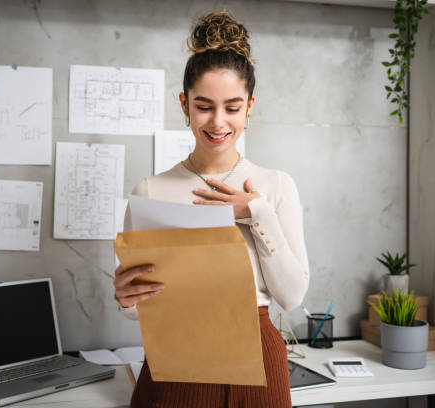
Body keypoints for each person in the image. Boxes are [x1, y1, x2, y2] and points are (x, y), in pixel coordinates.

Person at [112, 11, 310, 408]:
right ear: (184, 104)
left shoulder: (275, 186)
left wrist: (256, 213)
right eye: (203, 106)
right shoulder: (151, 190)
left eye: (232, 108)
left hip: (259, 358)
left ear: (250, 106)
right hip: (176, 360)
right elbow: (140, 313)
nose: (218, 122)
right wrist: (125, 299)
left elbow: (291, 297)